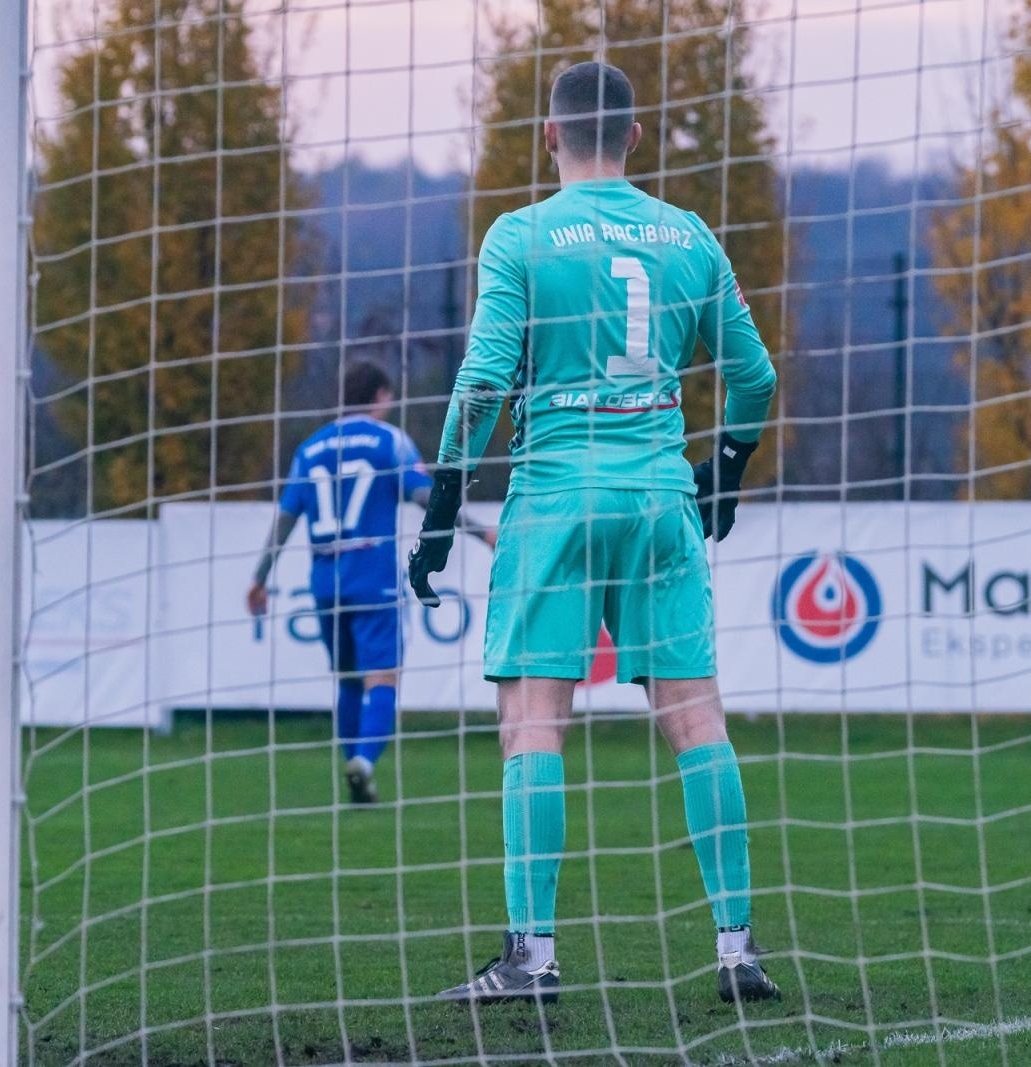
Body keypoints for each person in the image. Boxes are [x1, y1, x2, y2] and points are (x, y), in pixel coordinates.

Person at [408, 61, 780, 1005]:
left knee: (535, 724)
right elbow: (757, 377)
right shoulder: (688, 236)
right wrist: (724, 474)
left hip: (556, 495)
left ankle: (532, 958)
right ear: (636, 138)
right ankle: (737, 948)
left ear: (550, 136)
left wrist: (444, 508)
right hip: (659, 492)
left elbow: (485, 379)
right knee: (698, 721)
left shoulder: (523, 236)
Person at [248, 360, 495, 804]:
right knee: (382, 677)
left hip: (324, 581)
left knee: (345, 679)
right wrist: (482, 532)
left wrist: (259, 578)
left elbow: (285, 520)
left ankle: (356, 770)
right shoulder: (389, 443)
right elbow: (426, 498)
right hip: (373, 576)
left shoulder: (310, 447)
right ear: (380, 395)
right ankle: (363, 761)